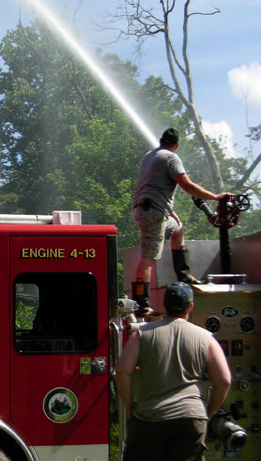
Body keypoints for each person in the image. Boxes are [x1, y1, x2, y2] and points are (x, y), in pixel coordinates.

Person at [115, 282, 231, 461]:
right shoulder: (206, 338)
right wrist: (207, 413)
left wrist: (130, 409)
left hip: (150, 417)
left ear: (164, 304)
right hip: (191, 418)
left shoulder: (143, 334)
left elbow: (122, 372)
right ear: (191, 306)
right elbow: (224, 381)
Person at [131, 128, 231, 316]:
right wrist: (216, 197)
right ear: (176, 145)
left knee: (177, 229)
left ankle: (184, 277)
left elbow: (152, 188)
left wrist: (170, 211)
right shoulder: (171, 157)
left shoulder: (149, 156)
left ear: (161, 141)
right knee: (148, 259)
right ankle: (141, 306)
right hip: (153, 213)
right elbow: (187, 185)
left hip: (145, 209)